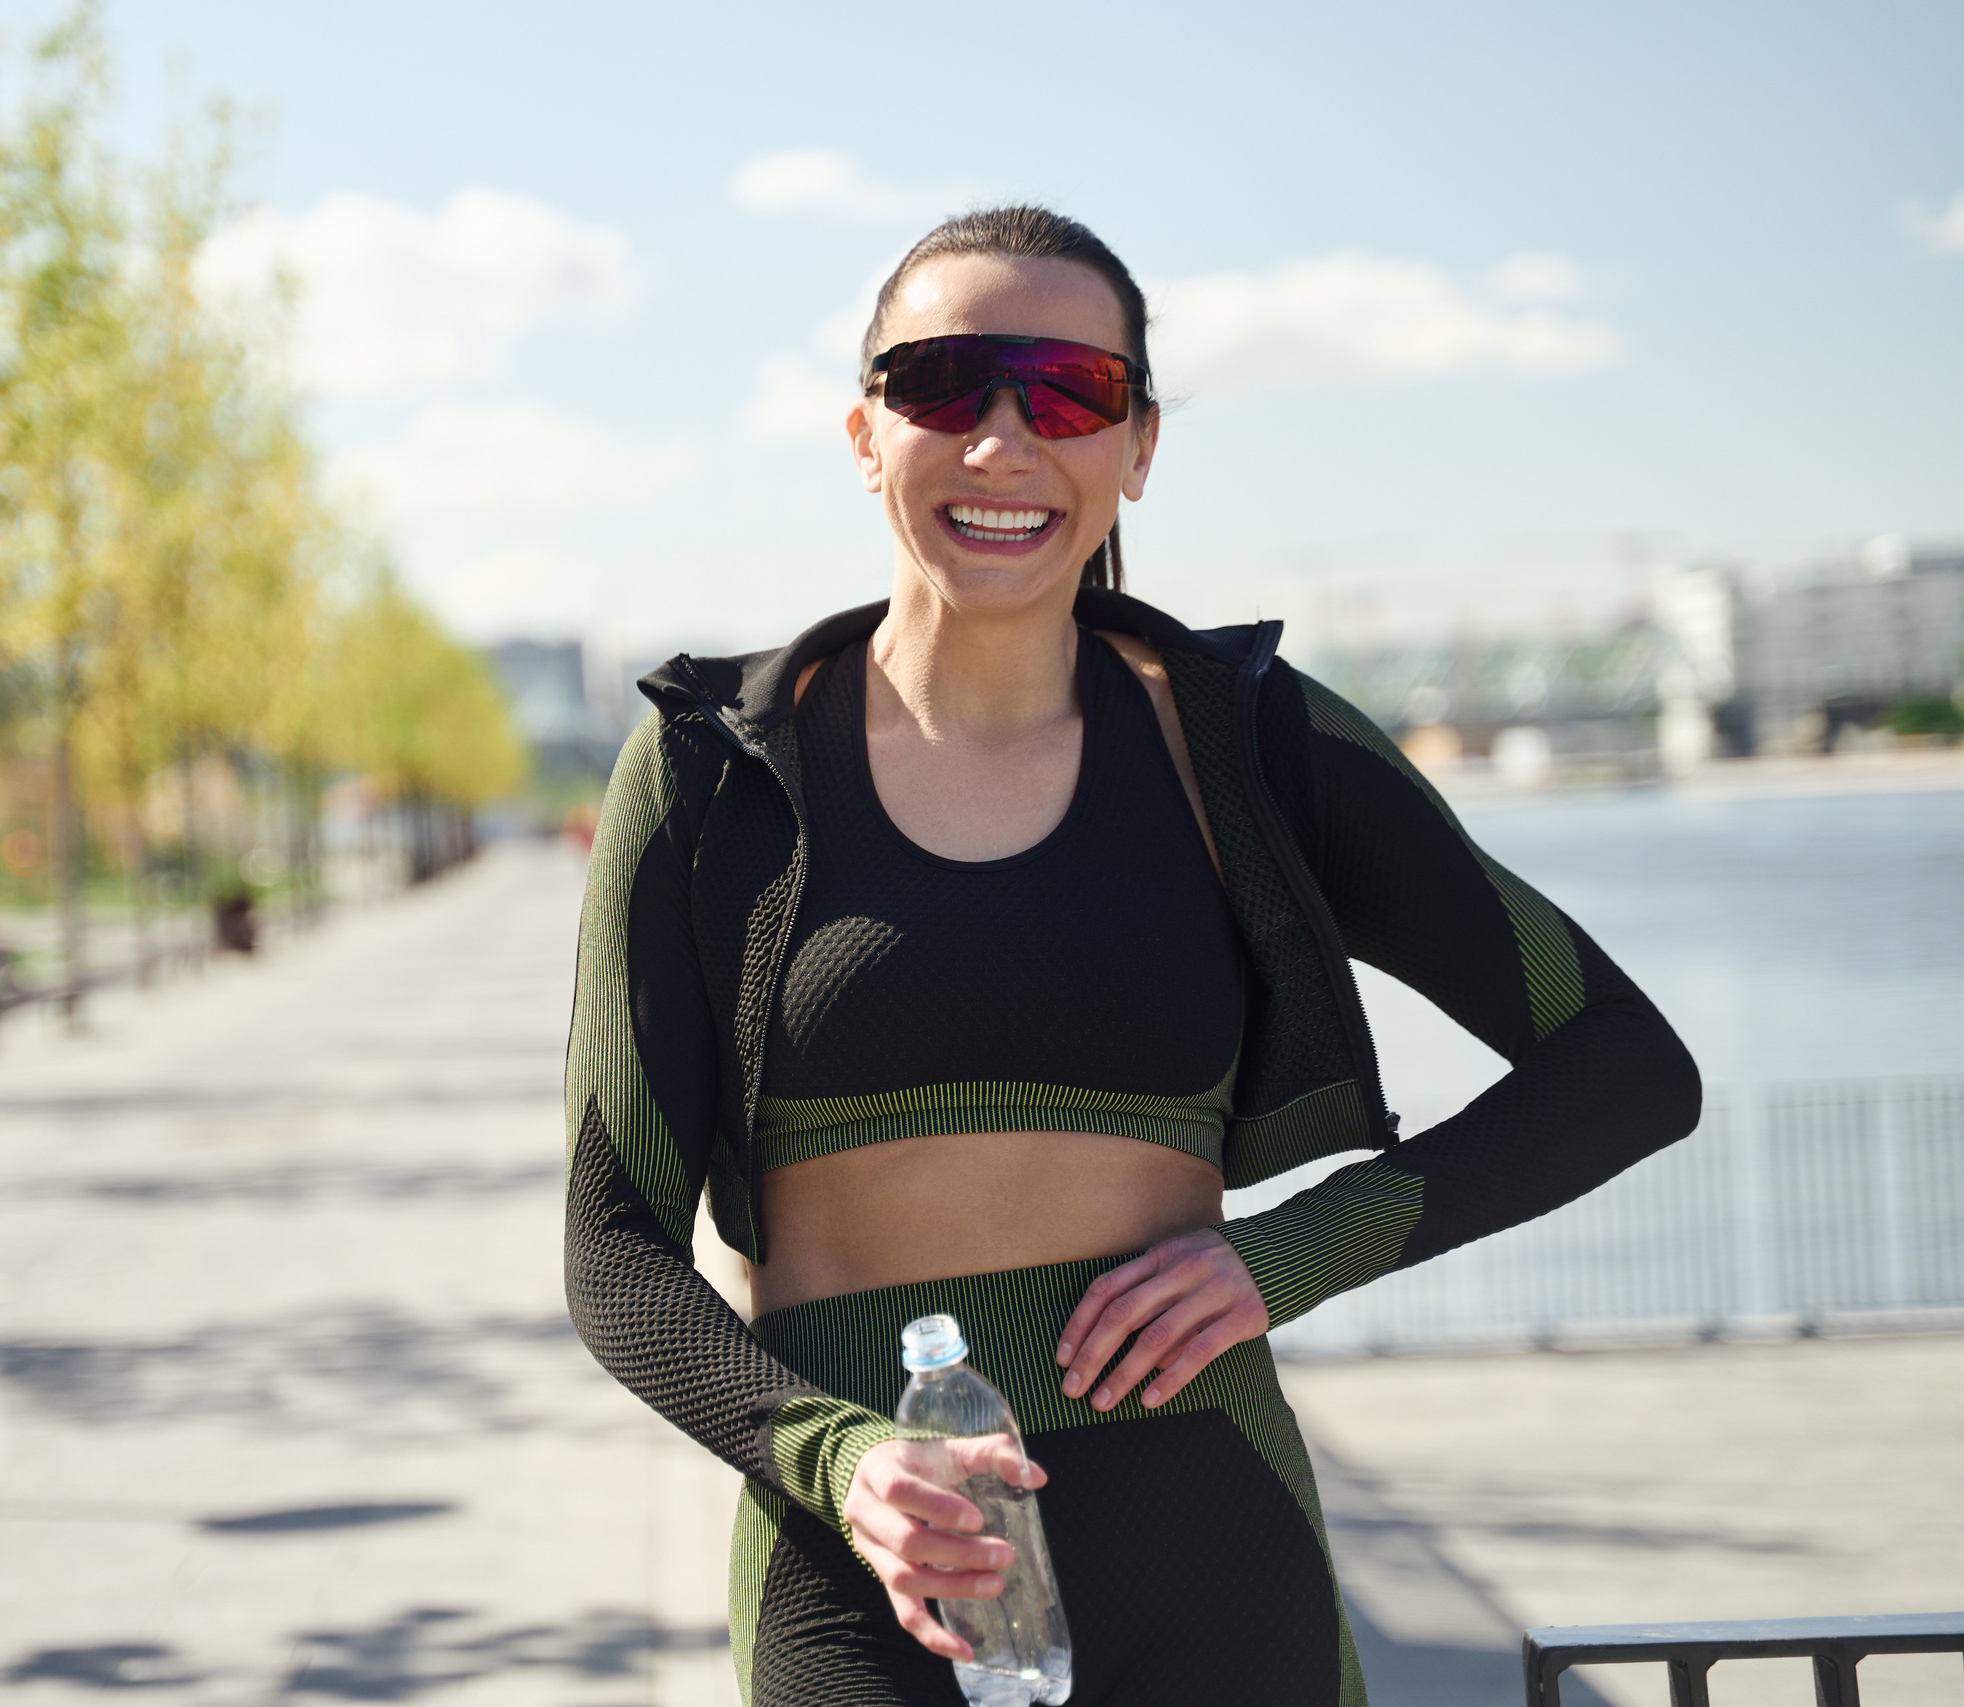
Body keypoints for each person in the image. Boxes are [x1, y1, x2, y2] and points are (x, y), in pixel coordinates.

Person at [563, 205, 1699, 1707]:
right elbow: (613, 1242)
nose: (1004, 439)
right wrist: (831, 1458)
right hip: (873, 1565)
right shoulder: (713, 775)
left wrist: (1286, 1256)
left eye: (1071, 392)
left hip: (1213, 1528)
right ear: (863, 431)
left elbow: (1627, 1067)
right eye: (944, 384)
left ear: (1139, 447)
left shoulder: (1252, 744)